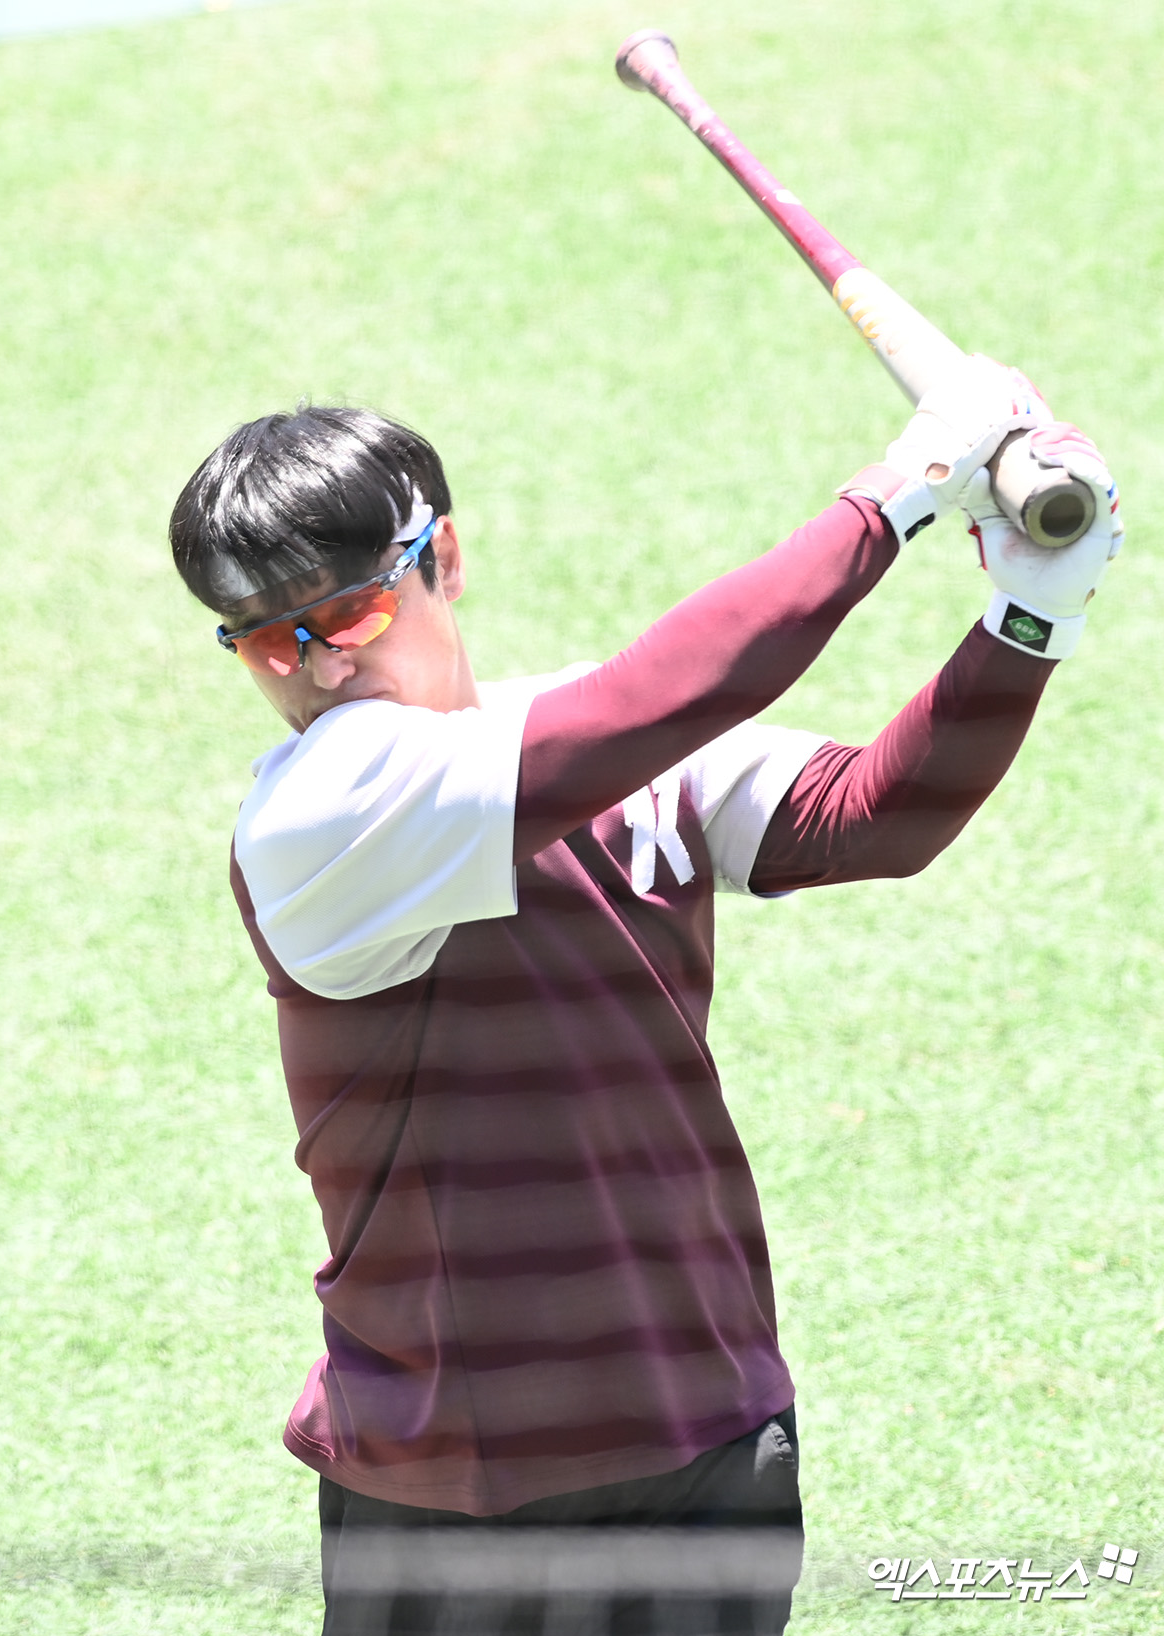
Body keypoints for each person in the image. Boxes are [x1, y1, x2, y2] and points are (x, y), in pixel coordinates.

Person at [169, 359, 1120, 1636]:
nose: (317, 670)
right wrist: (906, 486)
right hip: (462, 1479)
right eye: (265, 640)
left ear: (444, 558)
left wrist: (1028, 617)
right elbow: (660, 697)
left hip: (702, 1425)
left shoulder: (590, 747)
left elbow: (874, 818)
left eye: (347, 617)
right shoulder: (321, 810)